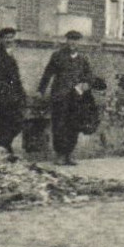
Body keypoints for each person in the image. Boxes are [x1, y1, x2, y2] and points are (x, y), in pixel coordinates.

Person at [38, 30, 94, 165]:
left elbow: (89, 76)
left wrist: (86, 85)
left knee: (73, 126)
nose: (73, 42)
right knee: (59, 125)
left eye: (76, 40)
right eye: (70, 39)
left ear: (79, 42)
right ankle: (60, 154)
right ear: (66, 40)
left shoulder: (83, 58)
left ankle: (69, 154)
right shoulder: (57, 56)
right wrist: (41, 90)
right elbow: (48, 73)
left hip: (76, 98)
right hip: (60, 96)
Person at [0, 27, 27, 154]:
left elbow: (15, 77)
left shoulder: (11, 54)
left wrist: (21, 92)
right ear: (1, 39)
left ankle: (3, 144)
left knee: (17, 123)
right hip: (3, 95)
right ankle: (5, 147)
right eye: (6, 38)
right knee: (6, 123)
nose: (9, 40)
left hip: (15, 96)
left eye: (11, 37)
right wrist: (3, 92)